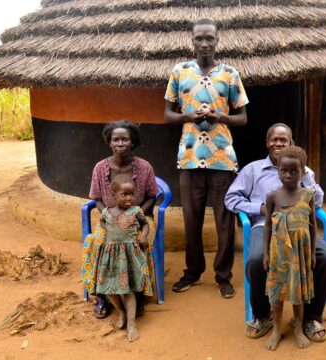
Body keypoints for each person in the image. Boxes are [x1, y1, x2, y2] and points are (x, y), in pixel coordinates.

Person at [224, 123, 326, 341]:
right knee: (257, 260)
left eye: (283, 140)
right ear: (267, 143)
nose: (278, 143)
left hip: (301, 229)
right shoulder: (253, 170)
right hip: (265, 226)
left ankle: (310, 318)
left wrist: (305, 177)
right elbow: (230, 198)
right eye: (274, 139)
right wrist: (258, 208)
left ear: (290, 143)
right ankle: (262, 316)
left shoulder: (303, 171)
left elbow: (318, 201)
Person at [164, 18, 249, 298]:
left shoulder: (230, 74)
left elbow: (243, 117)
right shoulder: (179, 72)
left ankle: (223, 276)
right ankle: (192, 272)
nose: (204, 43)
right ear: (192, 41)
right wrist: (186, 116)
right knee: (192, 219)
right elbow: (168, 115)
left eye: (209, 38)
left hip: (222, 159)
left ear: (217, 41)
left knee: (225, 219)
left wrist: (221, 116)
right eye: (199, 38)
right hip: (189, 158)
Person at [82, 120, 158, 318]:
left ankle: (138, 293)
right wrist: (108, 216)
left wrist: (135, 214)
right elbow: (96, 198)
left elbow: (152, 196)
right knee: (97, 242)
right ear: (109, 142)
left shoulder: (144, 167)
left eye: (125, 139)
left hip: (140, 219)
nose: (120, 143)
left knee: (140, 243)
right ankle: (102, 296)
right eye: (116, 139)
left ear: (132, 142)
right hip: (110, 218)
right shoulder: (100, 168)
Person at [262, 146, 316, 350]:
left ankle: (298, 328)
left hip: (299, 255)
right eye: (284, 170)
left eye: (294, 171)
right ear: (277, 170)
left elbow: (312, 228)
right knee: (276, 295)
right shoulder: (272, 196)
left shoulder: (308, 196)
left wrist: (311, 255)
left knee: (297, 294)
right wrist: (266, 253)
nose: (288, 175)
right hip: (278, 254)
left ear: (302, 172)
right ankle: (276, 329)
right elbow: (267, 225)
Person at [96, 175, 153, 342]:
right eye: (124, 194)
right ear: (114, 195)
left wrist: (143, 236)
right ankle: (121, 312)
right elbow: (102, 222)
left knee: (127, 291)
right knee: (108, 289)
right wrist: (110, 232)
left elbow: (146, 224)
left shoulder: (135, 211)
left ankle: (132, 324)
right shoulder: (107, 212)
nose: (129, 198)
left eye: (131, 194)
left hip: (129, 256)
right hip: (111, 256)